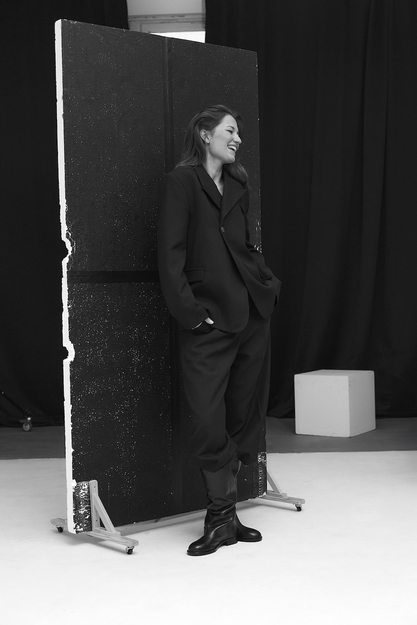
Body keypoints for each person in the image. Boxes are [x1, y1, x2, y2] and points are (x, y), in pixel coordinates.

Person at [157, 104, 281, 556]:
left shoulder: (238, 185)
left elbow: (244, 245)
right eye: (230, 131)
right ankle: (219, 517)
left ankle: (227, 517)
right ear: (205, 134)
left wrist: (267, 283)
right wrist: (192, 315)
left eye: (239, 133)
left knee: (241, 414)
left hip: (251, 315)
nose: (238, 139)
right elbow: (169, 257)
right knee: (208, 419)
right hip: (208, 320)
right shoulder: (181, 182)